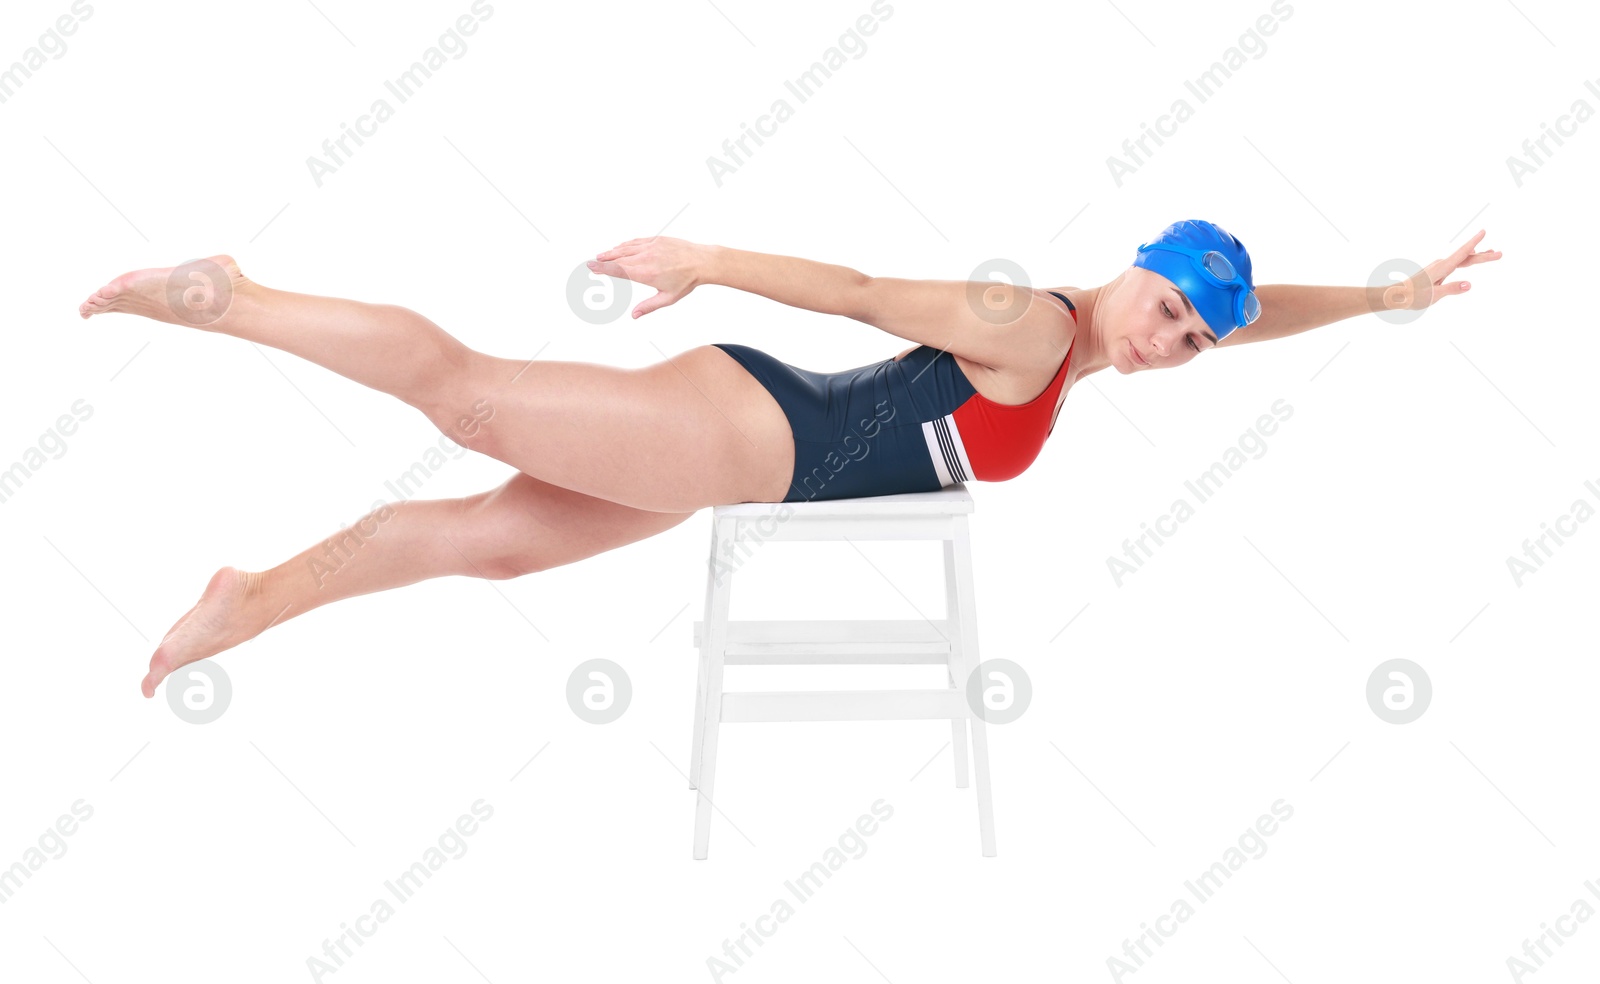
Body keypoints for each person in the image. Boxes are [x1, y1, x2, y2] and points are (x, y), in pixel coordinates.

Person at [77, 221, 1500, 697]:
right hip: (747, 430)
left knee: (483, 542)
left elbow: (1252, 323)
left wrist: (1387, 297)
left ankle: (251, 597)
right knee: (469, 399)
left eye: (1190, 340)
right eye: (1170, 307)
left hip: (740, 462)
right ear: (1135, 266)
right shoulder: (1031, 324)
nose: (1171, 339)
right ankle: (237, 295)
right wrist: (710, 257)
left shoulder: (1096, 349)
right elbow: (871, 297)